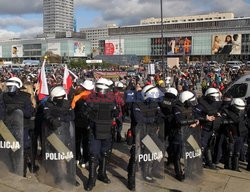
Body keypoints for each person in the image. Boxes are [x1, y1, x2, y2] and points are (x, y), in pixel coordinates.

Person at [127, 85, 164, 190]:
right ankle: (131, 180)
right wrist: (153, 119)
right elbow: (140, 120)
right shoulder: (136, 104)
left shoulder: (154, 103)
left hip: (151, 132)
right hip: (139, 133)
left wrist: (158, 119)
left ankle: (147, 172)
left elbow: (160, 115)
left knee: (158, 150)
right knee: (135, 156)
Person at [84, 78, 119, 191]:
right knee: (93, 154)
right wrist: (93, 116)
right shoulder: (91, 98)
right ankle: (91, 178)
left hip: (107, 129)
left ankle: (102, 174)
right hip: (95, 130)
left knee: (105, 153)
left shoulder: (111, 98)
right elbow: (85, 113)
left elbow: (116, 112)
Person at [43, 86, 78, 186]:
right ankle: (58, 176)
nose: (60, 99)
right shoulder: (47, 104)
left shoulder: (67, 104)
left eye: (62, 97)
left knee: (68, 157)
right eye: (57, 98)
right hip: (53, 133)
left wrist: (59, 118)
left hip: (66, 133)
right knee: (57, 157)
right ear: (53, 98)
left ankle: (71, 177)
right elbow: (47, 115)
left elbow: (72, 116)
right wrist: (52, 120)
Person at [1, 77, 33, 176]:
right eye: (8, 86)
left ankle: (22, 171)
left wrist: (17, 109)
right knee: (12, 148)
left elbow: (29, 113)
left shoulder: (25, 97)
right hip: (8, 128)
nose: (9, 88)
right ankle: (13, 168)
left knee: (23, 148)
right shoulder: (3, 96)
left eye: (11, 86)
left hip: (22, 127)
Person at [172, 91, 199, 181]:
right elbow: (179, 121)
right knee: (177, 155)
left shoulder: (190, 107)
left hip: (188, 132)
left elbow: (195, 117)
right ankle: (178, 173)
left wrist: (196, 122)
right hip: (179, 134)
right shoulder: (176, 108)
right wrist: (192, 122)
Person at [195, 88, 222, 169]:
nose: (216, 99)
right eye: (214, 97)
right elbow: (195, 114)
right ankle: (196, 163)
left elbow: (222, 106)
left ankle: (208, 162)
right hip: (204, 129)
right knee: (201, 146)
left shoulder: (216, 103)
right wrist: (205, 118)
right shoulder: (201, 104)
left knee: (209, 146)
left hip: (212, 128)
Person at [72, 80, 94, 167]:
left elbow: (73, 108)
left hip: (77, 122)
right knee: (86, 142)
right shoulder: (92, 97)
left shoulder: (76, 96)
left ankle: (77, 158)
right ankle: (85, 160)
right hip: (87, 123)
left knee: (77, 141)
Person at [221, 98, 247, 171]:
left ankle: (235, 167)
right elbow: (222, 123)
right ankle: (227, 165)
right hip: (231, 134)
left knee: (237, 152)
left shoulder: (243, 112)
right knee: (230, 151)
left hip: (240, 134)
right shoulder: (226, 111)